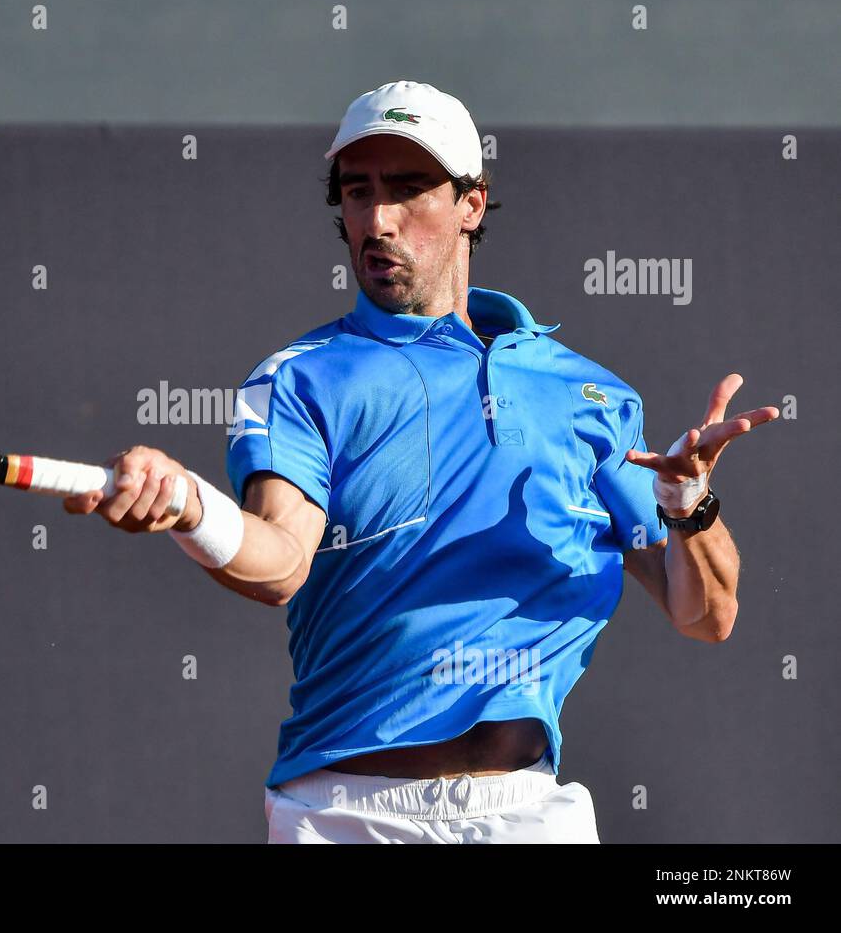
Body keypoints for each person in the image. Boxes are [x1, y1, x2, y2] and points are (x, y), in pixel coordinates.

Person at [63, 81, 778, 843]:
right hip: (342, 816)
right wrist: (190, 507)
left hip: (530, 815)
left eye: (409, 191)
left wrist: (688, 505)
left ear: (472, 203)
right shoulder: (302, 378)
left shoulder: (588, 395)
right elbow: (276, 563)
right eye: (357, 193)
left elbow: (706, 615)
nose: (377, 221)